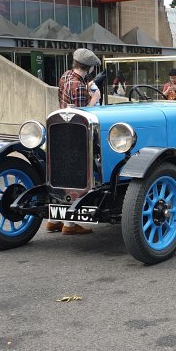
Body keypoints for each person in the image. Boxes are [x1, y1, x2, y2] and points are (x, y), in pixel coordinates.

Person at [47, 48, 102, 236]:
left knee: (61, 175)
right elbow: (81, 113)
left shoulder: (66, 77)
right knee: (77, 176)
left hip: (60, 130)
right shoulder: (79, 86)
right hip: (75, 133)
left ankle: (53, 220)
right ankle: (70, 225)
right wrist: (94, 98)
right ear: (88, 68)